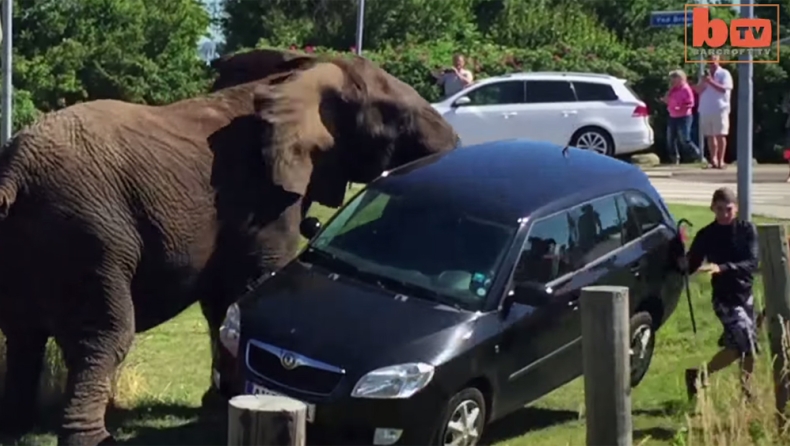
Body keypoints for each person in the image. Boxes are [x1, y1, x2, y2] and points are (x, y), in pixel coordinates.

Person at [682, 187, 759, 401]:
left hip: (746, 295)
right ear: (712, 209)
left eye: (728, 209)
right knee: (747, 343)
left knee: (744, 348)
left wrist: (722, 267)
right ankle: (746, 391)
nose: (724, 214)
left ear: (736, 208)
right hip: (725, 299)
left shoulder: (746, 230)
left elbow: (752, 263)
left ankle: (699, 375)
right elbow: (690, 265)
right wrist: (681, 256)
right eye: (719, 209)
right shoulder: (707, 235)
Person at [695, 55, 734, 169]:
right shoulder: (705, 76)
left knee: (720, 135)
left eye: (714, 61)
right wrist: (702, 82)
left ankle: (721, 160)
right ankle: (713, 160)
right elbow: (698, 91)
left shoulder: (724, 74)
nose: (712, 63)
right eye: (710, 61)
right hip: (705, 108)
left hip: (720, 108)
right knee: (710, 136)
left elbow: (724, 89)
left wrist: (710, 81)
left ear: (718, 61)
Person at [661, 70, 702, 164]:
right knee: (670, 138)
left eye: (674, 79)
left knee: (684, 138)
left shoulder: (686, 89)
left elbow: (690, 103)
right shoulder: (673, 89)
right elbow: (668, 99)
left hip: (684, 116)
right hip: (672, 115)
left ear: (680, 79)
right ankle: (674, 158)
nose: (672, 82)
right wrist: (666, 99)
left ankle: (697, 155)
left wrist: (680, 107)